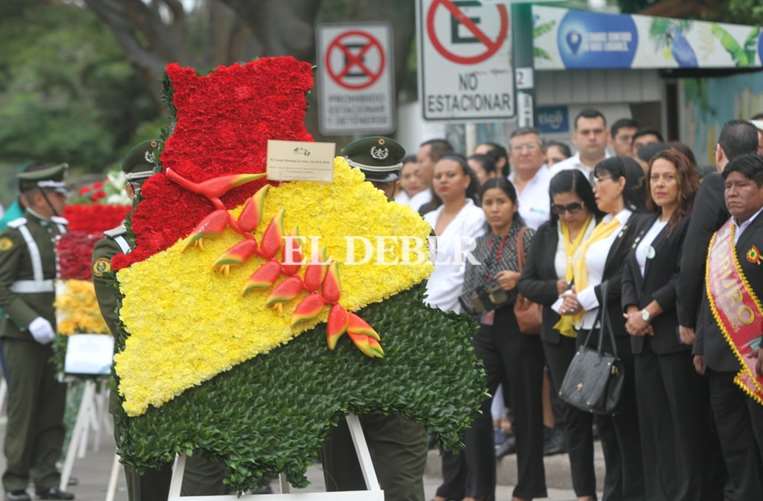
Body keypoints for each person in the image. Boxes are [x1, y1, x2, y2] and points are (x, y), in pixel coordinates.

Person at [322, 136, 429, 501]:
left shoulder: (417, 234)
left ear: (396, 184)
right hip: (337, 384)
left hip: (400, 384)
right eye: (367, 181)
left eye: (384, 182)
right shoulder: (317, 234)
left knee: (400, 488)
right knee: (346, 491)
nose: (377, 191)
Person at [558, 156, 649, 501]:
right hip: (589, 328)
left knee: (623, 421)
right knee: (605, 424)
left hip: (614, 328)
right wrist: (570, 294)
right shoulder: (603, 222)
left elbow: (621, 278)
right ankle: (613, 492)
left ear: (622, 182)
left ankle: (631, 493)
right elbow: (584, 267)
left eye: (601, 181)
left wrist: (584, 297)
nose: (595, 189)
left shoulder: (635, 223)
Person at [621, 149, 705, 501]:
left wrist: (650, 312)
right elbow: (628, 271)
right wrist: (631, 309)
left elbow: (682, 276)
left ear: (683, 180)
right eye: (655, 177)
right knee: (653, 427)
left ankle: (688, 494)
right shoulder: (643, 221)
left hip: (671, 335)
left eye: (668, 177)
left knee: (682, 426)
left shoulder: (688, 223)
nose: (660, 184)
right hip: (642, 340)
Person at [454, 178, 545, 501]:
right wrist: (498, 292)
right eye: (488, 203)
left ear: (514, 205)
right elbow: (468, 298)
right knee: (474, 408)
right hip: (485, 329)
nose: (494, 209)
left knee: (526, 411)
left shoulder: (529, 238)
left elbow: (543, 282)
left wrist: (518, 282)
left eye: (500, 202)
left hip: (520, 328)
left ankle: (527, 488)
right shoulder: (479, 245)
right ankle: (480, 491)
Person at [518, 169, 601, 501]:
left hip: (596, 328)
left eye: (574, 207)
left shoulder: (603, 227)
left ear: (589, 201)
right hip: (558, 333)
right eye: (559, 208)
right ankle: (584, 494)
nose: (567, 215)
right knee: (573, 416)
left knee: (607, 414)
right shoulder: (547, 233)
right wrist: (554, 289)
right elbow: (526, 283)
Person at [0, 164, 74, 501]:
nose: (63, 198)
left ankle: (46, 477)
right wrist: (29, 320)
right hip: (23, 337)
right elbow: (3, 287)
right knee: (24, 409)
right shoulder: (14, 233)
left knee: (53, 410)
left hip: (58, 333)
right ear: (38, 198)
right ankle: (15, 482)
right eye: (57, 193)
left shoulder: (60, 230)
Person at [699, 153, 763, 499]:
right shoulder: (721, 236)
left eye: (743, 185)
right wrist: (700, 346)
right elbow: (707, 295)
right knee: (734, 440)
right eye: (728, 186)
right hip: (722, 355)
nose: (733, 193)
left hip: (756, 355)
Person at [423, 154, 484, 501]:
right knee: (440, 406)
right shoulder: (427, 218)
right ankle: (451, 481)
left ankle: (469, 484)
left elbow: (464, 272)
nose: (443, 181)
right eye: (439, 176)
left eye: (451, 175)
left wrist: (436, 310)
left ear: (466, 179)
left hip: (459, 320)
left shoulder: (475, 217)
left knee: (464, 407)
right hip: (428, 322)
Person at [508, 128, 552, 230]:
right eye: (518, 148)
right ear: (509, 156)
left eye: (530, 147)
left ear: (544, 153)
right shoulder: (503, 185)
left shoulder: (554, 183)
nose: (524, 152)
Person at [550, 109, 610, 182]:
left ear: (607, 135)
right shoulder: (558, 171)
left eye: (597, 131)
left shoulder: (621, 169)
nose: (592, 137)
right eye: (585, 132)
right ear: (574, 137)